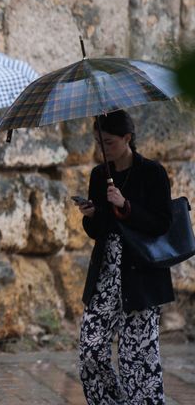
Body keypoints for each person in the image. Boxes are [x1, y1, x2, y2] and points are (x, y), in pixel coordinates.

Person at [76, 110, 174, 404]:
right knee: (90, 351)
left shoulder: (152, 172)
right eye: (98, 142)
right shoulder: (98, 175)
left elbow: (162, 223)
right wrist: (92, 215)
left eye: (108, 142)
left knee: (137, 361)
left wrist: (125, 205)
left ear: (127, 138)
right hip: (106, 276)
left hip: (141, 276)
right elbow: (98, 231)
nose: (102, 149)